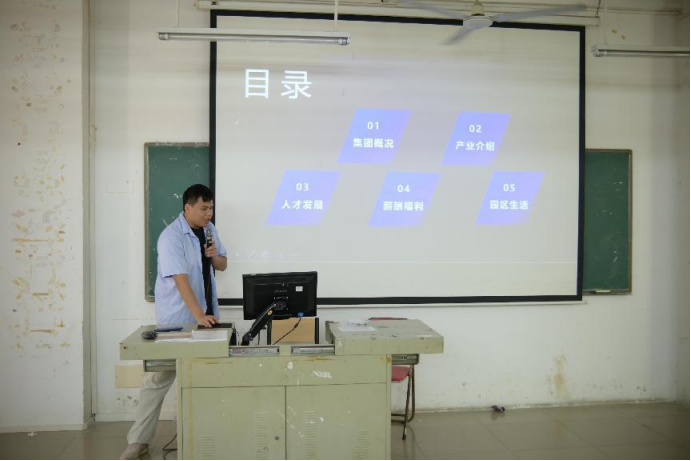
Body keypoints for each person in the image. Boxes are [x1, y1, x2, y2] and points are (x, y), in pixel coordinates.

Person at [119, 184, 227, 460]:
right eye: (204, 208)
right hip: (177, 322)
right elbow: (180, 280)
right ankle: (138, 441)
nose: (209, 213)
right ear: (187, 208)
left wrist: (214, 256)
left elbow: (222, 264)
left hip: (207, 319)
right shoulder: (171, 237)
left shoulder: (210, 230)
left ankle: (191, 437)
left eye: (211, 208)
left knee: (197, 380)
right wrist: (198, 316)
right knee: (157, 380)